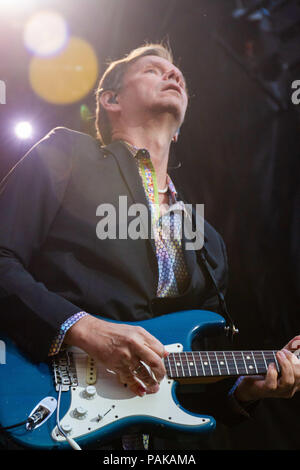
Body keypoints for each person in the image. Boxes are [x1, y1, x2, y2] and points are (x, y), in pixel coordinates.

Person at [0, 43, 299, 450]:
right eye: (154, 70)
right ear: (111, 100)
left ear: (179, 130)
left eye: (179, 76)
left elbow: (192, 383)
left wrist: (246, 390)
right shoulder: (67, 153)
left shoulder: (207, 242)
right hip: (39, 405)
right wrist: (81, 329)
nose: (174, 75)